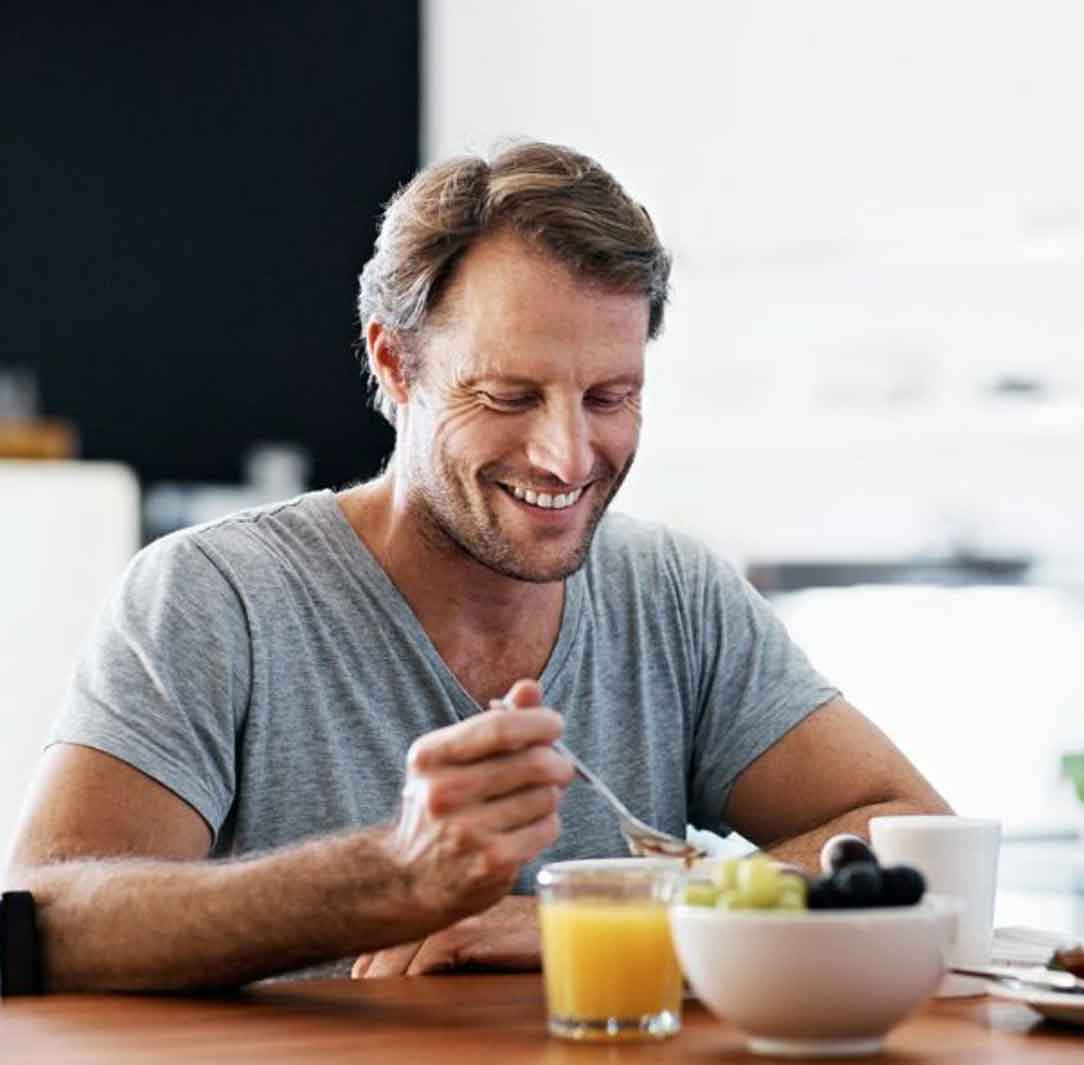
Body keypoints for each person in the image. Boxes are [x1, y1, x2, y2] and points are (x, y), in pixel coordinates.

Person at [4, 140, 951, 991]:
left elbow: (910, 830)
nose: (568, 456)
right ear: (394, 365)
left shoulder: (675, 595)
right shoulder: (217, 596)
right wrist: (390, 878)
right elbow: (49, 919)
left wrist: (612, 918)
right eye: (509, 394)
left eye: (610, 395)